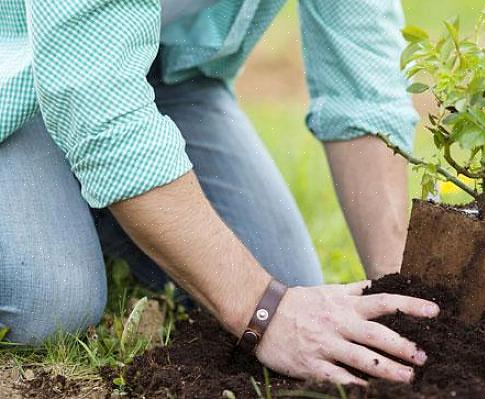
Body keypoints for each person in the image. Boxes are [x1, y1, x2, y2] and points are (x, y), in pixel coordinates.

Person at [0, 0, 440, 386]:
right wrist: (262, 313)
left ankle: (98, 197)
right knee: (51, 305)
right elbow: (95, 99)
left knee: (287, 283)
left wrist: (400, 298)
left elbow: (363, 77)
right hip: (22, 63)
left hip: (169, 74)